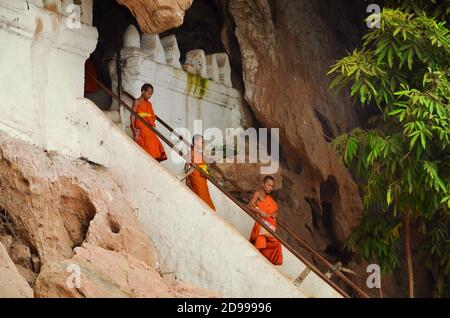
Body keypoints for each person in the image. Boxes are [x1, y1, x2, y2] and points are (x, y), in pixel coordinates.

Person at [248, 176, 283, 265]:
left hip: (268, 224)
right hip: (260, 223)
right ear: (263, 184)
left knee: (276, 242)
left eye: (272, 186)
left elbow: (274, 211)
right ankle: (254, 259)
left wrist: (273, 214)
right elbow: (249, 206)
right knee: (261, 237)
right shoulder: (257, 194)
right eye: (268, 185)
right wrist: (260, 211)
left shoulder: (270, 200)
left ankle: (263, 258)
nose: (270, 188)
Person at [131, 84, 167, 162]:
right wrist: (133, 128)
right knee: (148, 139)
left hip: (148, 124)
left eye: (151, 94)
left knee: (155, 139)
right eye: (149, 93)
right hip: (140, 123)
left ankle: (156, 157)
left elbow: (152, 116)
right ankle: (151, 157)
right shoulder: (136, 102)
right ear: (143, 91)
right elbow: (133, 115)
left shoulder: (149, 104)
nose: (150, 96)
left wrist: (149, 120)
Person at [184, 135, 216, 211]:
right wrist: (187, 178)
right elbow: (186, 165)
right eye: (202, 142)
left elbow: (203, 164)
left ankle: (208, 211)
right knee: (200, 197)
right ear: (196, 142)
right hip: (195, 178)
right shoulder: (191, 153)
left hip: (202, 179)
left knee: (205, 197)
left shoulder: (200, 154)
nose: (203, 144)